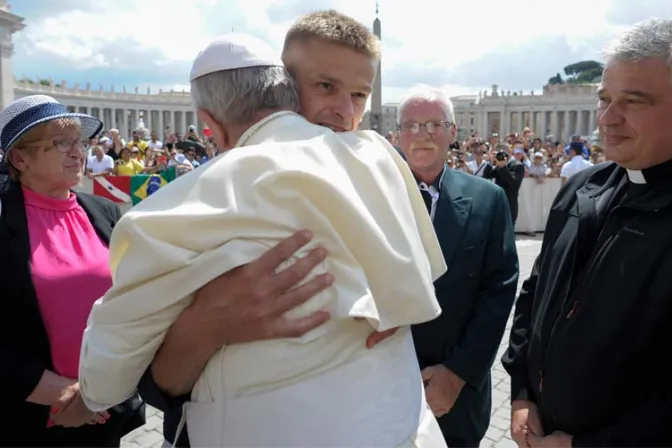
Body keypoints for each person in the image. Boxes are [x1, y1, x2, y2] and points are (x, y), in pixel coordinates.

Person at [79, 32, 448, 447]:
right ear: (291, 93)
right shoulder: (378, 156)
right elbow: (426, 275)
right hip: (401, 427)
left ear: (210, 124)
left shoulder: (169, 213)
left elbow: (104, 383)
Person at [137, 10, 397, 447]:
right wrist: (208, 324)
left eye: (360, 95)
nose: (344, 112)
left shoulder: (382, 189)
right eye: (325, 87)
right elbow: (157, 380)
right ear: (285, 91)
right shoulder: (200, 199)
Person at [501, 18, 672, 447]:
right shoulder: (582, 187)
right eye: (604, 98)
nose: (607, 119)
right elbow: (535, 292)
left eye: (634, 101)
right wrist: (521, 392)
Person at [0, 95, 145, 447]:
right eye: (61, 142)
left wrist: (101, 391)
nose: (78, 152)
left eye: (80, 141)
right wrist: (61, 393)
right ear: (20, 158)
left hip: (107, 409)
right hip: (32, 416)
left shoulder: (104, 211)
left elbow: (131, 301)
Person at [396, 86, 518, 447]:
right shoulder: (368, 197)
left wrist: (459, 372)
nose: (422, 135)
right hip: (382, 381)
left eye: (434, 124)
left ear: (453, 132)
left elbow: (499, 289)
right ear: (398, 134)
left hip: (457, 390)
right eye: (412, 125)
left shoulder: (488, 198)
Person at [483, 142, 525, 225]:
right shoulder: (498, 164)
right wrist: (491, 162)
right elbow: (487, 175)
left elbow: (513, 183)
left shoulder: (517, 165)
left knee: (508, 234)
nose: (502, 155)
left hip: (509, 204)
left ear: (510, 152)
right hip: (497, 205)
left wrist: (503, 167)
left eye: (504, 152)